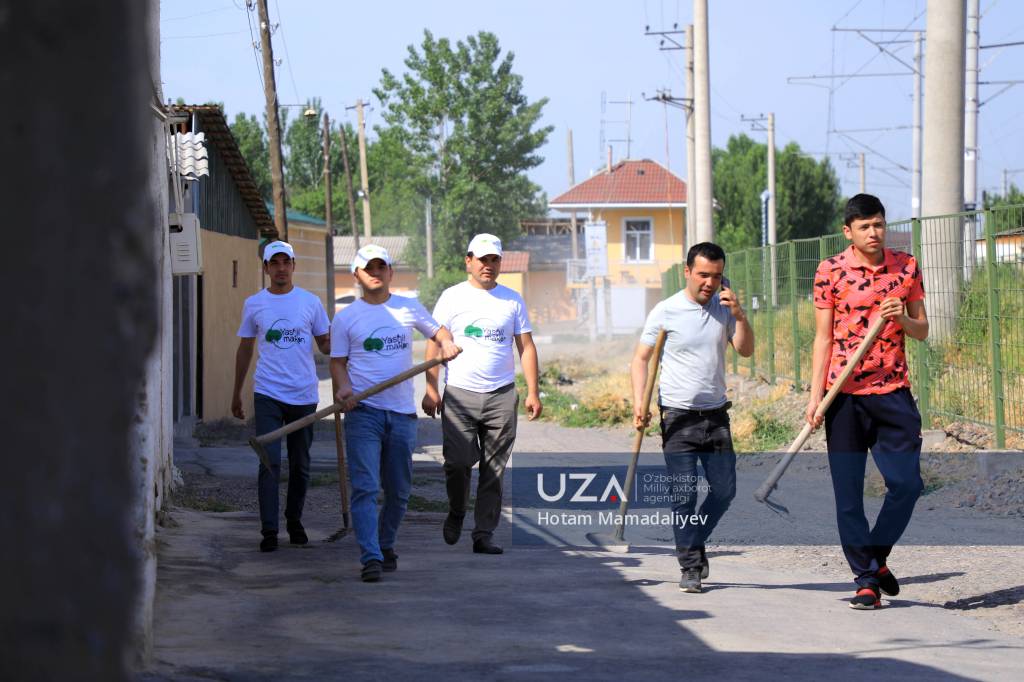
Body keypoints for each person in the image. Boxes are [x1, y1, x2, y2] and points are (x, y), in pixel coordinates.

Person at [808, 193, 929, 610]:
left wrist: (902, 318)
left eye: (878, 224)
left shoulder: (906, 266)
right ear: (848, 231)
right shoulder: (830, 270)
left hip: (893, 393)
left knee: (907, 485)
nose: (873, 232)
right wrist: (815, 397)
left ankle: (876, 557)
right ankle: (865, 580)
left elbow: (922, 330)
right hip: (844, 398)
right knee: (849, 497)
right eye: (864, 226)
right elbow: (823, 338)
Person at [330, 244, 461, 583]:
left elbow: (438, 331)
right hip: (363, 413)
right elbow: (338, 362)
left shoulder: (408, 307)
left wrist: (446, 343)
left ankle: (385, 543)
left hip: (402, 414)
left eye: (381, 267)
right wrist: (343, 388)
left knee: (399, 492)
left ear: (390, 272)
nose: (375, 273)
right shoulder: (346, 318)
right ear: (357, 275)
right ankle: (371, 556)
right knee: (365, 487)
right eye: (368, 268)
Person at [632, 242, 753, 593]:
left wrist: (740, 316)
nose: (709, 283)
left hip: (716, 416)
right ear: (687, 272)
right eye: (702, 275)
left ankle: (694, 540)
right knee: (683, 495)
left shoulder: (725, 309)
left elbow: (745, 350)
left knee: (725, 492)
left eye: (716, 276)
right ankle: (690, 566)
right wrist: (640, 402)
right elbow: (641, 359)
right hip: (678, 417)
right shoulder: (666, 311)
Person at [422, 233, 542, 555]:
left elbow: (526, 347)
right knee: (457, 463)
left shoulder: (512, 300)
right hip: (460, 395)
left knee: (494, 469)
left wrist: (533, 391)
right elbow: (433, 343)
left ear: (500, 263)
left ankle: (484, 533)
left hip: (501, 396)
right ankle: (457, 510)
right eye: (482, 259)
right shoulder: (451, 297)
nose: (488, 265)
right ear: (469, 261)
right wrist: (431, 388)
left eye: (494, 260)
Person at [232, 240, 331, 553]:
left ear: (293, 265)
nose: (281, 269)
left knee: (300, 464)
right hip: (268, 393)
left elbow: (326, 344)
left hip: (303, 395)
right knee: (269, 462)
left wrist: (348, 340)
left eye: (286, 262)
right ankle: (269, 530)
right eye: (274, 263)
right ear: (265, 268)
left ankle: (294, 521)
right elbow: (245, 349)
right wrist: (237, 393)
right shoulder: (254, 304)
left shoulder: (310, 302)